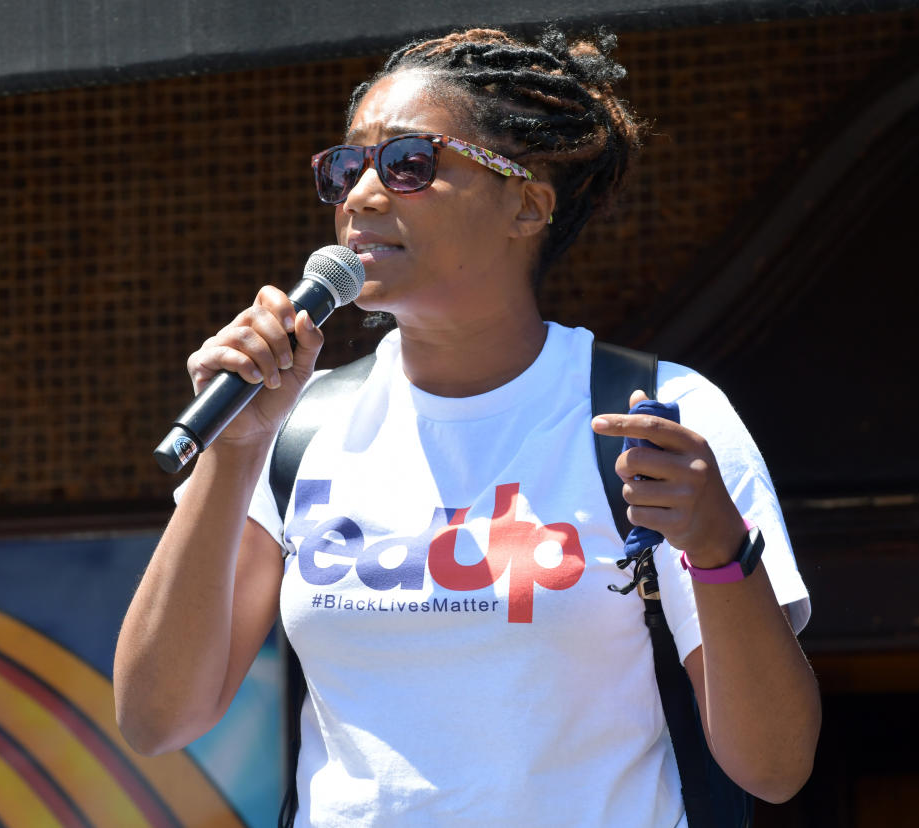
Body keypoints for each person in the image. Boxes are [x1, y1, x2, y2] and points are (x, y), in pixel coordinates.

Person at [114, 26, 821, 827]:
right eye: (348, 167)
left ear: (526, 204)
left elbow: (774, 769)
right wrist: (233, 451)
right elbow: (156, 719)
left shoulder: (658, 411)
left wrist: (720, 546)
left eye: (410, 164)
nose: (363, 196)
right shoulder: (293, 427)